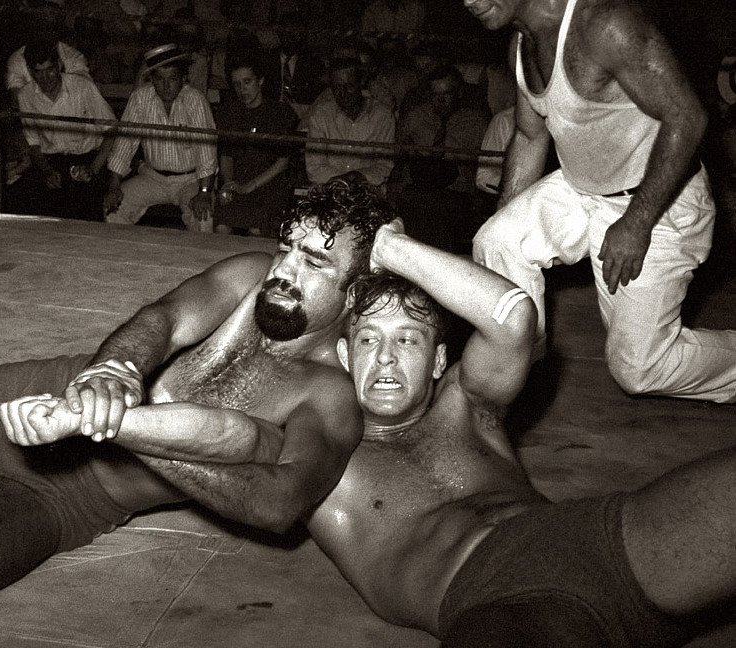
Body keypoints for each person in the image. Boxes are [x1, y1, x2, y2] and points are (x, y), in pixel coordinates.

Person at [0, 177, 393, 614]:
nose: (284, 272)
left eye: (315, 263)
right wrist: (112, 373)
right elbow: (164, 318)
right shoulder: (250, 276)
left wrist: (111, 427)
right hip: (37, 393)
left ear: (358, 288)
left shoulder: (328, 396)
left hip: (74, 496)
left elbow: (279, 504)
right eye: (288, 248)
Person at [301, 221, 733, 646]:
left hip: (595, 541)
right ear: (344, 356)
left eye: (408, 341)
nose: (386, 358)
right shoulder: (318, 445)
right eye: (368, 340)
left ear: (438, 361)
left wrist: (388, 247)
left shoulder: (467, 406)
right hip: (494, 597)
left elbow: (512, 319)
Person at [468, 0, 736, 403]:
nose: (468, 1)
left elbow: (687, 117)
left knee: (640, 369)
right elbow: (529, 136)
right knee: (497, 241)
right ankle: (518, 368)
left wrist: (636, 222)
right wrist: (504, 217)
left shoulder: (605, 24)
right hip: (580, 188)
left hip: (658, 200)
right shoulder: (520, 45)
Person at [104, 43, 217, 232]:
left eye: (172, 78)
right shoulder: (140, 98)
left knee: (203, 217)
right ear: (152, 79)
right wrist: (114, 186)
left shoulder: (195, 100)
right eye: (159, 79)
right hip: (152, 177)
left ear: (183, 78)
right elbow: (125, 143)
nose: (166, 86)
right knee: (114, 208)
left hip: (190, 180)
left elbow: (206, 151)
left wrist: (204, 192)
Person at [390, 64, 489, 252]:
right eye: (435, 95)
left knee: (438, 208)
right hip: (418, 184)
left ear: (459, 93)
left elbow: (484, 169)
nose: (440, 101)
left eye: (447, 94)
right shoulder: (416, 117)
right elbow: (397, 154)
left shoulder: (476, 122)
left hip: (456, 191)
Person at [14, 40, 116, 220]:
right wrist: (47, 171)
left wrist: (93, 169)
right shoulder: (25, 95)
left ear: (59, 65)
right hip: (51, 162)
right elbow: (33, 143)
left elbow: (111, 129)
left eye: (50, 70)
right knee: (25, 204)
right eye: (38, 72)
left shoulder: (82, 86)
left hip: (88, 158)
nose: (45, 78)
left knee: (86, 210)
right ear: (30, 71)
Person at [214, 58, 299, 237]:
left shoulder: (280, 112)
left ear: (260, 81)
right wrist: (228, 184)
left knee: (256, 229)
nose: (242, 89)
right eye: (237, 84)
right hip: (239, 183)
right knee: (222, 224)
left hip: (270, 184)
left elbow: (283, 162)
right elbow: (226, 155)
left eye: (247, 82)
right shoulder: (230, 113)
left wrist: (250, 186)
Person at [305, 57, 396, 192]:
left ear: (361, 82)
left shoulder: (382, 116)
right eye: (337, 87)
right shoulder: (321, 115)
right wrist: (346, 181)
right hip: (330, 191)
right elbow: (314, 167)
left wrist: (358, 177)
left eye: (349, 86)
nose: (343, 94)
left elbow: (385, 166)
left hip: (367, 191)